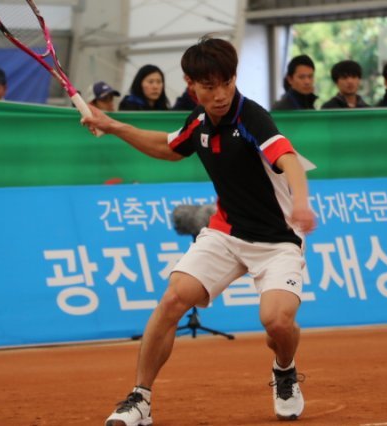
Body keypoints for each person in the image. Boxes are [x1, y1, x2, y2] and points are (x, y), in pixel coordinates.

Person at [82, 36, 316, 426]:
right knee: (173, 299)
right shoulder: (199, 120)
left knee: (276, 322)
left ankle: (285, 369)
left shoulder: (252, 117)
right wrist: (111, 124)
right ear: (191, 85)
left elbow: (288, 159)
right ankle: (140, 399)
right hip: (226, 233)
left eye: (227, 82)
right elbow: (168, 147)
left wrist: (303, 202)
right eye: (209, 86)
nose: (221, 93)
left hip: (277, 240)